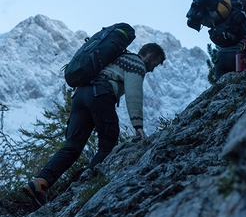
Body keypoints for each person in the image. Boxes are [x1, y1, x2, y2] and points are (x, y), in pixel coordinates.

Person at [23, 43, 166, 206]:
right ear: (150, 55)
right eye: (155, 64)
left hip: (80, 94)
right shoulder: (136, 63)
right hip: (101, 94)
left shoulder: (118, 57)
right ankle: (88, 185)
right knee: (108, 144)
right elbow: (134, 93)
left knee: (72, 145)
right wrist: (138, 125)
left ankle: (41, 182)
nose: (152, 69)